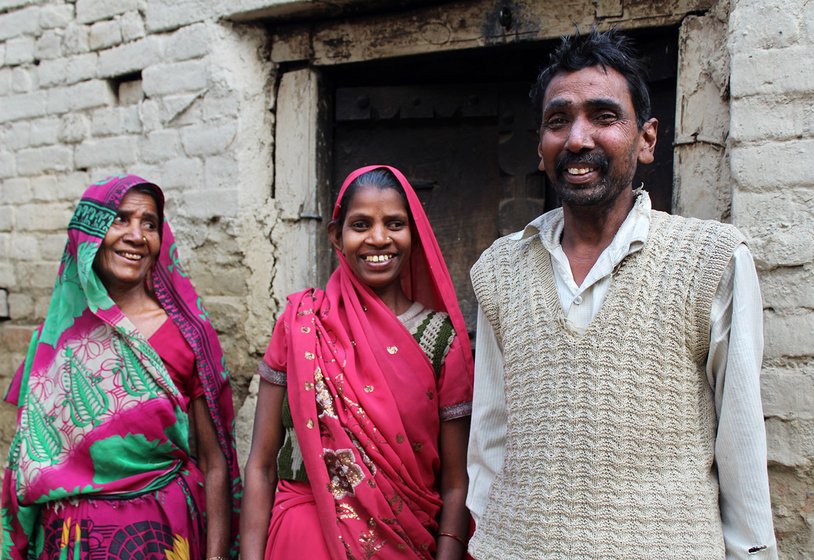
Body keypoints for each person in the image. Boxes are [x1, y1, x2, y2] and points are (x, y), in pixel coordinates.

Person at [466, 29, 777, 559]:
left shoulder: (711, 260)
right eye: (558, 120)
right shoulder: (500, 268)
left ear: (647, 139)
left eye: (604, 117)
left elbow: (742, 446)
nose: (578, 139)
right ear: (541, 147)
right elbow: (490, 437)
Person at [2, 174, 241, 559]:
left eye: (150, 223)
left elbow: (216, 462)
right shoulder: (53, 345)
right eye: (121, 219)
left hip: (166, 533)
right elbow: (26, 461)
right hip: (75, 541)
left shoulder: (189, 334)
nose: (137, 235)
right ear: (89, 235)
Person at [241, 165, 473, 560]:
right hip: (301, 539)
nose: (379, 238)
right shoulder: (300, 323)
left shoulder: (441, 339)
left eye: (395, 224)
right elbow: (261, 465)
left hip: (404, 540)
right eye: (361, 224)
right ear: (337, 235)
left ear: (413, 233)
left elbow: (455, 484)